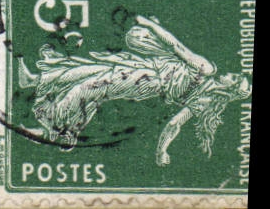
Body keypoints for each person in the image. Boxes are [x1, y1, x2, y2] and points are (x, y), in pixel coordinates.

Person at [18, 14, 252, 164]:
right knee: (92, 71)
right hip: (146, 73)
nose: (231, 74)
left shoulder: (207, 69)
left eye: (235, 78)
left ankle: (54, 129)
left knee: (86, 89)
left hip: (145, 77)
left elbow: (175, 46)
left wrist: (148, 24)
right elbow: (174, 124)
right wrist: (162, 151)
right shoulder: (206, 102)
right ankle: (38, 81)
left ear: (230, 89)